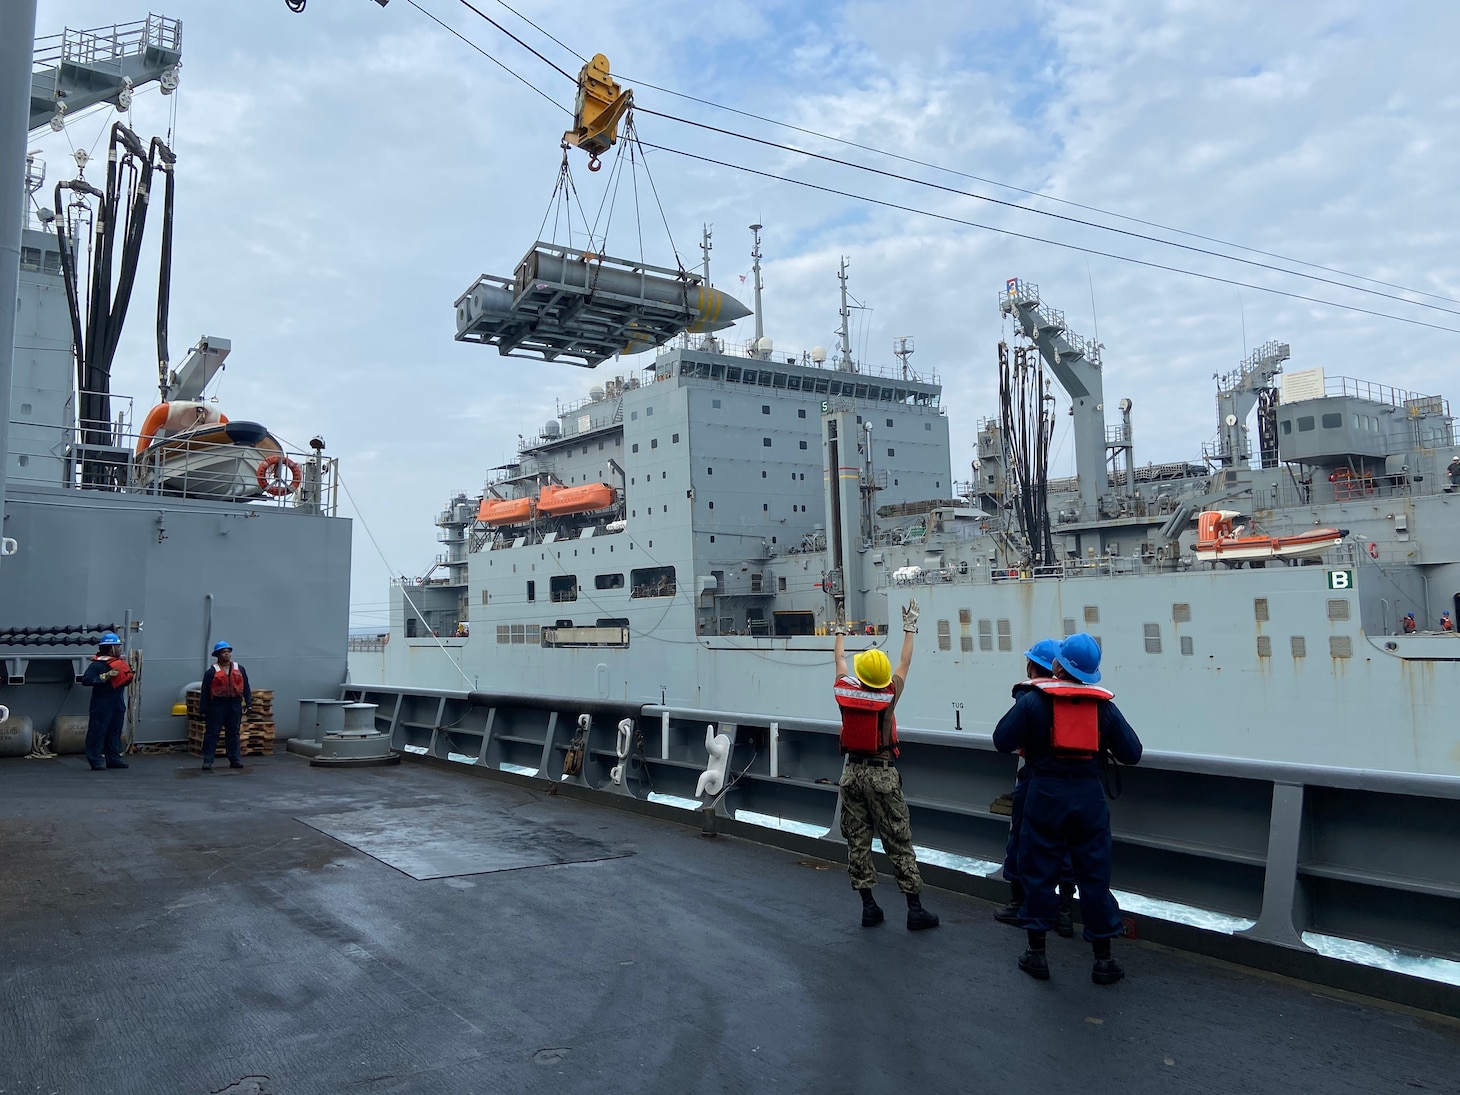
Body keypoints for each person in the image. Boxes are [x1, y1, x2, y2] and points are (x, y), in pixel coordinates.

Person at [993, 633, 1142, 984]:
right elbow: (1132, 752)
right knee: (1094, 876)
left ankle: (1037, 954)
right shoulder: (1103, 707)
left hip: (1044, 793)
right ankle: (1103, 961)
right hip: (1089, 797)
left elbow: (1002, 741)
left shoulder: (1033, 701)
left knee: (1038, 871)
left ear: (1058, 666)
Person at [832, 600, 939, 931]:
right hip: (882, 776)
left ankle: (869, 907)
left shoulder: (845, 692)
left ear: (860, 673)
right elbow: (905, 661)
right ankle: (915, 909)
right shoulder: (889, 695)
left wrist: (839, 632)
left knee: (858, 842)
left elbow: (838, 660)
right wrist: (910, 626)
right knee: (899, 841)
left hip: (851, 774)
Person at [993, 638, 1076, 939]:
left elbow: (1003, 739)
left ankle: (1022, 907)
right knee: (1066, 844)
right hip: (1079, 785)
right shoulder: (1077, 700)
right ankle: (1065, 912)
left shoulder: (1030, 699)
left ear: (1032, 666)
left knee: (1023, 843)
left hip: (1037, 780)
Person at [80, 631, 130, 771]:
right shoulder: (97, 665)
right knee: (98, 731)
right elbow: (86, 680)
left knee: (115, 731)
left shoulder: (119, 664)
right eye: (117, 646)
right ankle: (95, 759)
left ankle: (113, 758)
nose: (120, 649)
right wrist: (104, 677)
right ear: (110, 648)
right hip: (101, 704)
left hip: (117, 702)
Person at [200, 640, 252, 770]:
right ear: (218, 655)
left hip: (234, 705)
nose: (227, 654)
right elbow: (205, 691)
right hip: (217, 706)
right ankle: (208, 760)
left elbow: (246, 686)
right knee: (212, 733)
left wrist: (249, 703)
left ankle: (234, 759)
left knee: (233, 733)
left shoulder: (239, 669)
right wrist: (203, 709)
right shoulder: (211, 672)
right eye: (224, 652)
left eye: (228, 652)